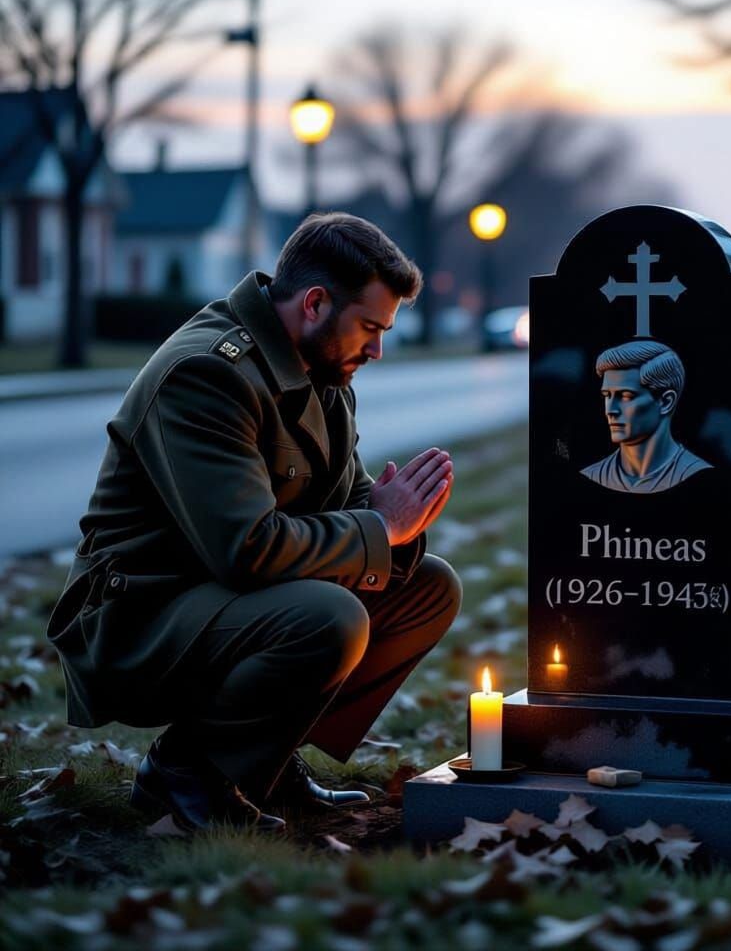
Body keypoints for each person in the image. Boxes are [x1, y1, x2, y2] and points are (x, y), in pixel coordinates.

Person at [45, 212, 462, 834]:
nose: (377, 349)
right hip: (140, 615)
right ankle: (187, 773)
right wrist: (381, 527)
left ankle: (257, 761)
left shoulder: (319, 368)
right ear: (316, 303)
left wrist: (396, 520)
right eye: (370, 328)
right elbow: (247, 549)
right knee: (330, 617)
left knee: (428, 587)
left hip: (223, 600)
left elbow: (346, 503)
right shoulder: (207, 372)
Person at [580, 339, 711, 494]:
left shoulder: (700, 477)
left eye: (626, 396)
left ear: (665, 402)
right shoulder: (592, 475)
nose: (610, 410)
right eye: (607, 395)